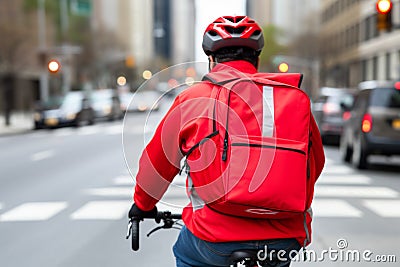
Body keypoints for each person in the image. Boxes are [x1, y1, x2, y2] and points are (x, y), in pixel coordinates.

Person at [129, 15, 325, 267]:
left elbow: (157, 165)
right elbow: (315, 162)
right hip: (283, 238)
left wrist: (143, 205)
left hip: (213, 237)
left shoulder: (194, 99)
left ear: (211, 60)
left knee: (186, 252)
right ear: (257, 58)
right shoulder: (291, 100)